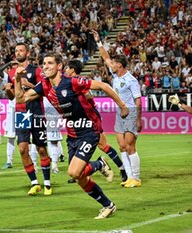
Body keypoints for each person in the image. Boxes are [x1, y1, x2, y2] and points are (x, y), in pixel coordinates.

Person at [15, 52, 129, 219]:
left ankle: (98, 165)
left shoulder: (72, 82)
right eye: (44, 63)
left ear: (59, 66)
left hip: (89, 130)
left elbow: (103, 86)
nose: (45, 66)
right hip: (73, 134)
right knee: (79, 177)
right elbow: (20, 99)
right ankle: (108, 204)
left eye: (50, 63)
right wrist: (17, 79)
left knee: (74, 172)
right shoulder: (44, 85)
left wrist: (122, 105)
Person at [93, 30, 142, 188]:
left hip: (130, 112)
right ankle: (128, 177)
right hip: (119, 113)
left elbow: (138, 101)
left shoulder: (131, 80)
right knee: (121, 146)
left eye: (113, 64)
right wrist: (98, 41)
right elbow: (105, 57)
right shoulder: (116, 76)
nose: (110, 65)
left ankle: (136, 177)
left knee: (130, 146)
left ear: (119, 65)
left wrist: (139, 119)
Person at [65, 59, 127, 184]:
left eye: (67, 68)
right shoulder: (68, 82)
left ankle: (122, 168)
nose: (65, 70)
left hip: (90, 118)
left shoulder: (79, 82)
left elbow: (89, 95)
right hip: (77, 119)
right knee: (77, 145)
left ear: (72, 70)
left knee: (103, 145)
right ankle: (78, 171)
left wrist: (75, 97)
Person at [4, 42, 52, 196]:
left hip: (36, 111)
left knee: (41, 149)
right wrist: (8, 91)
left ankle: (47, 183)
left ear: (27, 53)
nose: (18, 53)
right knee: (23, 148)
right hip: (21, 113)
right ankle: (34, 183)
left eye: (21, 50)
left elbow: (44, 90)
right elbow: (13, 98)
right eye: (16, 51)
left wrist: (27, 83)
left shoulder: (36, 70)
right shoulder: (11, 73)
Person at [43, 97, 64, 174]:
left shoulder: (53, 91)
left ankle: (54, 166)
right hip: (38, 115)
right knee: (34, 142)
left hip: (51, 116)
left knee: (53, 141)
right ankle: (34, 166)